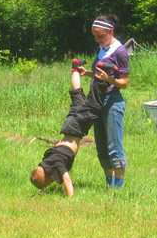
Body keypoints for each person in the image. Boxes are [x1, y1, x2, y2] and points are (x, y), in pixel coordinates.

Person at [30, 59, 110, 197]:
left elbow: (66, 179)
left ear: (49, 177)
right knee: (77, 95)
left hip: (77, 128)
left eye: (48, 183)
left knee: (94, 105)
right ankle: (75, 67)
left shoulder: (57, 164)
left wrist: (70, 197)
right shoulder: (47, 160)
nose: (51, 182)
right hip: (69, 125)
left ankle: (103, 73)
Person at [82, 14, 130, 189]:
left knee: (114, 145)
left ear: (110, 31)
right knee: (101, 145)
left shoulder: (120, 51)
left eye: (100, 35)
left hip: (112, 101)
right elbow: (100, 75)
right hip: (98, 100)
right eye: (94, 36)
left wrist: (109, 80)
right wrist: (88, 73)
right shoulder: (101, 49)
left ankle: (119, 188)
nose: (97, 39)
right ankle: (109, 185)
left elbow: (124, 82)